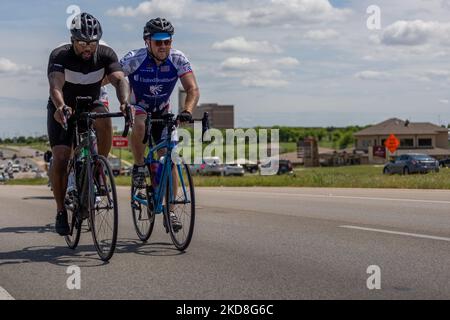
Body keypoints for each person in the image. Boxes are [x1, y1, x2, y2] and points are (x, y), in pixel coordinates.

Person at [47, 12, 129, 236]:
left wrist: (124, 103)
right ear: (73, 40)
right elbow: (55, 85)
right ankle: (61, 210)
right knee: (62, 157)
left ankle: (98, 168)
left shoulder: (105, 53)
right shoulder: (60, 55)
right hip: (63, 106)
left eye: (92, 43)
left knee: (104, 119)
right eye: (82, 43)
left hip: (90, 104)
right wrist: (61, 106)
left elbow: (119, 79)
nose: (87, 48)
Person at [120, 17, 200, 231]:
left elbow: (192, 89)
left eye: (167, 41)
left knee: (170, 159)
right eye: (158, 42)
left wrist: (187, 111)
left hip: (164, 111)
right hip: (139, 108)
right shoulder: (134, 59)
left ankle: (170, 211)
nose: (163, 46)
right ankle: (138, 166)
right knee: (139, 121)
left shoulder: (177, 58)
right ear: (148, 42)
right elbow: (112, 77)